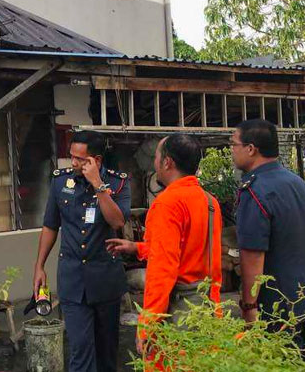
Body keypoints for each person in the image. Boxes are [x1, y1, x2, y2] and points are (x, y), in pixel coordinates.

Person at [106, 134, 223, 354]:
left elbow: (162, 272)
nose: (154, 163)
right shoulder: (209, 201)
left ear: (167, 162)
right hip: (207, 308)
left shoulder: (167, 204)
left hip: (177, 314)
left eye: (156, 157)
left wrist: (147, 326)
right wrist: (137, 248)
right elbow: (192, 250)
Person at [33, 130, 131, 372]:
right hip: (72, 279)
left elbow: (117, 222)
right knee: (80, 349)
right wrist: (39, 266)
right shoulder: (60, 181)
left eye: (80, 159)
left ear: (96, 161)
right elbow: (50, 225)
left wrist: (98, 185)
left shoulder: (118, 183)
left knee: (107, 352)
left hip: (105, 280)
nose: (74, 163)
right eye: (71, 157)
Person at [232, 119, 305, 360]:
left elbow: (253, 255)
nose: (231, 150)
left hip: (279, 305)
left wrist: (249, 307)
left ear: (251, 149)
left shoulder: (254, 191)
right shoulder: (298, 183)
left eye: (234, 144)